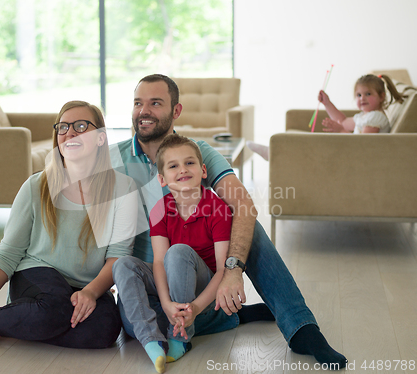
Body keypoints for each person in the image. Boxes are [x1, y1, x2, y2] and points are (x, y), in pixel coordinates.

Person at [111, 74, 347, 370]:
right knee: (138, 319)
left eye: (155, 103)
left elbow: (244, 205)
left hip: (199, 283)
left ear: (176, 111)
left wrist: (233, 271)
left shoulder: (197, 151)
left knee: (245, 222)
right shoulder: (112, 159)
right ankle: (231, 316)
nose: (143, 111)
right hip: (152, 294)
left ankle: (302, 329)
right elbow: (94, 231)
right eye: (138, 103)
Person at [0, 101, 140, 349]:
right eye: (63, 127)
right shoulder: (36, 185)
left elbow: (118, 256)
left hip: (84, 286)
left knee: (105, 330)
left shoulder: (124, 189)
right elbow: (9, 252)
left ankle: (16, 325)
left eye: (81, 126)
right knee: (54, 307)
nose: (69, 132)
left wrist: (91, 292)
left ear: (101, 138)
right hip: (37, 274)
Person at [143, 134, 274, 373]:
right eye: (173, 166)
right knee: (134, 272)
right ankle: (224, 319)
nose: (183, 169)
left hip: (208, 286)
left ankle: (182, 337)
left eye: (189, 163)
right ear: (162, 179)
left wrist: (193, 307)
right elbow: (159, 262)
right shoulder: (159, 210)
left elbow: (223, 269)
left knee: (178, 252)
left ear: (203, 170)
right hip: (176, 287)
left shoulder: (217, 208)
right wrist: (165, 302)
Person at [247, 74, 405, 161]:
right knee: (313, 144)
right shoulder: (366, 116)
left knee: (315, 146)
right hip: (354, 152)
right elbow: (343, 120)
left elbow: (362, 145)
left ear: (382, 96)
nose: (362, 98)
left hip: (359, 157)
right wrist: (327, 103)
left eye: (368, 94)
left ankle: (274, 153)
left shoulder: (376, 118)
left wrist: (341, 130)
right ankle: (275, 152)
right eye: (358, 95)